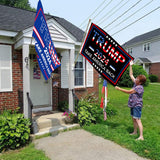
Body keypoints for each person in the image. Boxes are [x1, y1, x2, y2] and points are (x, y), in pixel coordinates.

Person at [115, 61, 146, 140]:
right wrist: (130, 66)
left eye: (138, 79)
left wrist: (119, 89)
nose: (136, 79)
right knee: (134, 119)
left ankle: (141, 136)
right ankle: (135, 132)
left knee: (138, 120)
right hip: (133, 104)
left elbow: (129, 91)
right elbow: (131, 75)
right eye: (137, 78)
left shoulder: (139, 87)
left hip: (137, 105)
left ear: (141, 82)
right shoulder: (136, 83)